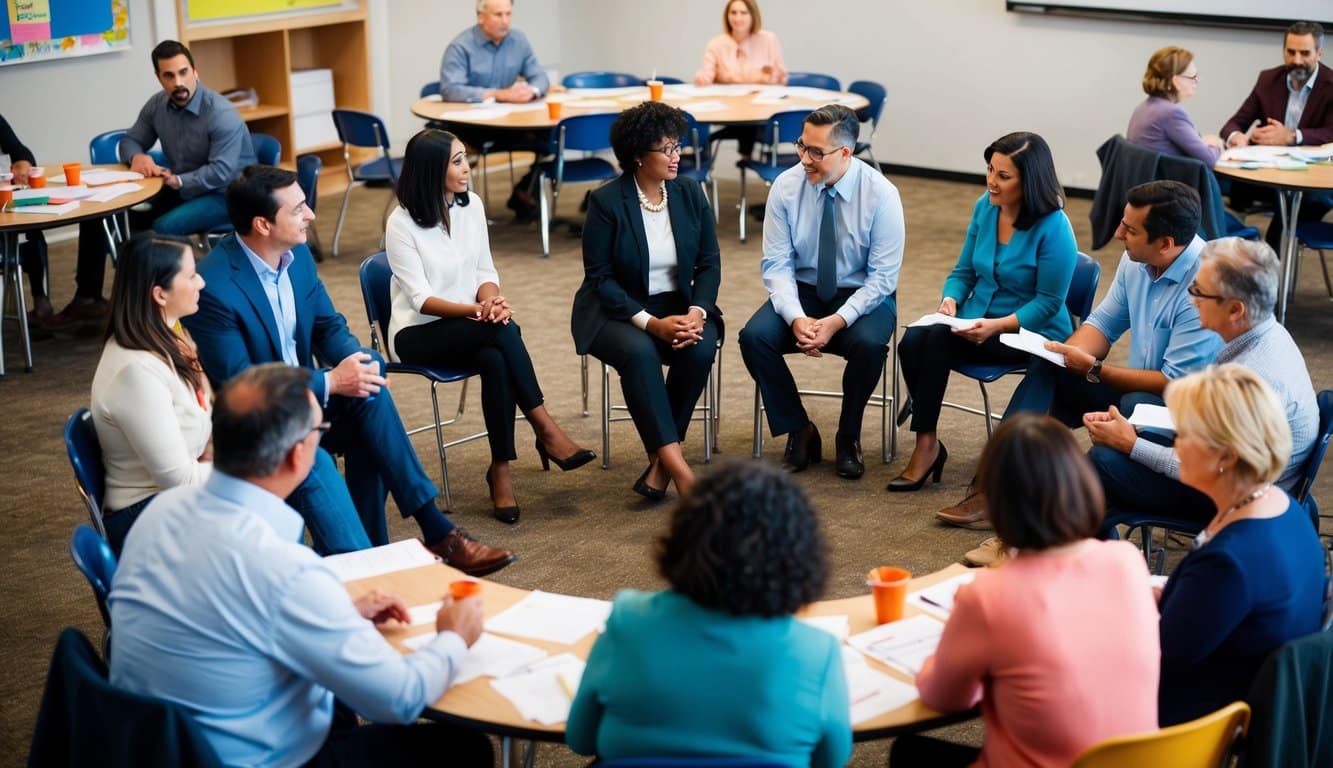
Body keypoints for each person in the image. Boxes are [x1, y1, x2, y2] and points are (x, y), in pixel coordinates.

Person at [108, 363, 496, 768]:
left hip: (158, 745)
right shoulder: (285, 569)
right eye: (319, 432)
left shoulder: (160, 512)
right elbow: (397, 700)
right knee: (465, 749)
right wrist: (454, 636)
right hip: (257, 758)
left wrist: (335, 612)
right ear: (298, 455)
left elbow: (225, 614)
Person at [183, 164, 515, 575]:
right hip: (258, 421)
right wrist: (330, 380)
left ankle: (413, 540)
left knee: (368, 383)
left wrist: (355, 360)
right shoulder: (215, 286)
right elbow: (241, 382)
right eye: (299, 208)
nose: (311, 215)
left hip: (308, 399)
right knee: (362, 399)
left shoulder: (296, 254)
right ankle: (421, 538)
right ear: (262, 225)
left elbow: (327, 326)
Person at [938, 180, 1221, 531]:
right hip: (1143, 394)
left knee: (1131, 399)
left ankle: (1025, 489)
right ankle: (995, 485)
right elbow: (1103, 324)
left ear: (1165, 244)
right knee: (1049, 365)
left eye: (1129, 229)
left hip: (1187, 417)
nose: (1117, 233)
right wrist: (1065, 354)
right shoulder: (1137, 261)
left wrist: (1095, 369)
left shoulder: (1206, 287)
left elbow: (1172, 384)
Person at [894, 414, 1160, 767]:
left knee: (907, 752)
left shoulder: (989, 596)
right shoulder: (1127, 561)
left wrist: (944, 648)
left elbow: (944, 696)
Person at [566, 460, 851, 768]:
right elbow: (831, 759)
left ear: (683, 538)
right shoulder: (816, 651)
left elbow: (581, 738)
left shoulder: (628, 620)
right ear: (800, 558)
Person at [386, 129, 594, 524]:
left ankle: (501, 470)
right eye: (458, 161)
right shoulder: (401, 223)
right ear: (432, 170)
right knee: (502, 331)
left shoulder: (471, 205)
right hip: (417, 333)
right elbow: (421, 299)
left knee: (495, 355)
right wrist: (477, 311)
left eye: (466, 158)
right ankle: (545, 428)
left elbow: (484, 268)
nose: (468, 169)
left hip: (472, 324)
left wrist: (489, 300)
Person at [1085, 237, 1319, 528]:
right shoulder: (1265, 333)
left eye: (1198, 292)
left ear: (1235, 310)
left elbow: (1214, 470)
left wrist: (1130, 444)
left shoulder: (1248, 382)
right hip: (1244, 468)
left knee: (1103, 461)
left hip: (1239, 501)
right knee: (1136, 402)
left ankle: (1091, 546)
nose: (1191, 299)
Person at [894, 132, 1077, 493]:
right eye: (990, 170)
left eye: (1003, 176)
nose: (991, 181)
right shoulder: (985, 206)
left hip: (1029, 331)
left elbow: (1049, 303)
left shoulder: (1055, 227)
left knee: (931, 341)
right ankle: (928, 443)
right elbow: (963, 271)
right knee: (914, 340)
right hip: (978, 318)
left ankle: (941, 451)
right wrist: (950, 301)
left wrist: (996, 326)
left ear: (1030, 182)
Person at [739, 104, 904, 481]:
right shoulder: (786, 186)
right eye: (801, 146)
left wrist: (837, 321)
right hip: (804, 290)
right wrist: (796, 316)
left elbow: (882, 279)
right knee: (754, 338)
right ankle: (799, 429)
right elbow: (777, 266)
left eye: (817, 152)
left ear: (845, 153)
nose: (805, 159)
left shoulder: (881, 194)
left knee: (868, 345)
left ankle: (849, 436)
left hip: (862, 295)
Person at [1156, 364, 1325, 726]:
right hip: (1240, 692)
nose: (1175, 442)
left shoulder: (1229, 563)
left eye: (1185, 433)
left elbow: (1159, 657)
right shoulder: (1288, 511)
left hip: (1191, 724)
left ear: (1227, 456)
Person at [572, 102, 722, 501]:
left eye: (678, 147)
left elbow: (709, 264)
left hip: (678, 303)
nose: (677, 157)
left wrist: (696, 311)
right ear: (638, 154)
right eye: (667, 150)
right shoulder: (606, 202)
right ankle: (679, 469)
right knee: (640, 353)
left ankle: (659, 464)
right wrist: (650, 323)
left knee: (700, 344)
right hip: (615, 309)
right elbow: (600, 278)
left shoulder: (690, 194)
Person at [90, 233, 213, 556]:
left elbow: (203, 415)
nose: (201, 282)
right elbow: (182, 481)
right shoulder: (137, 372)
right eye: (191, 275)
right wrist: (252, 463)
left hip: (173, 503)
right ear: (159, 294)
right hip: (146, 519)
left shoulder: (173, 338)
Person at [1219, 22, 1333, 252]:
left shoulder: (1330, 85)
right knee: (1207, 180)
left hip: (1313, 184)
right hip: (1268, 175)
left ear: (1319, 53)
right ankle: (1220, 264)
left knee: (1291, 207)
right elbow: (1233, 124)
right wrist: (1238, 138)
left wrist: (1292, 136)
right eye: (1291, 52)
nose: (1297, 60)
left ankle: (1267, 272)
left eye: (1305, 53)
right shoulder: (1268, 79)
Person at [439, 0, 551, 221]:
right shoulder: (461, 47)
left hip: (512, 124)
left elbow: (540, 77)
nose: (505, 21)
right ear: (481, 17)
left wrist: (531, 90)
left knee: (553, 137)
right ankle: (463, 214)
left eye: (508, 14)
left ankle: (524, 192)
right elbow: (451, 90)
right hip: (474, 128)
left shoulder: (518, 40)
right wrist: (498, 94)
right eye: (498, 15)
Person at [693, 0, 787, 159]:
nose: (738, 18)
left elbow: (780, 77)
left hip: (761, 107)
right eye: (733, 12)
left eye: (743, 13)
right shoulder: (716, 44)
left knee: (757, 117)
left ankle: (746, 155)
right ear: (727, 16)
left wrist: (770, 76)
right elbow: (706, 75)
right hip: (729, 108)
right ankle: (745, 156)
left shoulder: (768, 39)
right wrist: (702, 78)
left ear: (753, 15)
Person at [1127, 46, 1224, 165]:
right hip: (1171, 182)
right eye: (1193, 77)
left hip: (1147, 180)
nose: (1197, 81)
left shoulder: (1144, 107)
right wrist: (1217, 145)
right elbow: (1209, 159)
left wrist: (1202, 141)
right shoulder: (1171, 113)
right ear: (1176, 81)